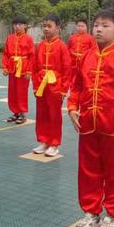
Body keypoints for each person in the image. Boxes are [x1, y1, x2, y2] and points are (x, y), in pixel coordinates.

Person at [68, 9, 114, 227]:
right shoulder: (86, 55)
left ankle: (112, 217)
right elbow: (77, 85)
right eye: (96, 24)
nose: (98, 28)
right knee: (88, 170)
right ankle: (91, 212)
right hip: (88, 123)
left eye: (104, 25)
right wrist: (72, 107)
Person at [32, 13, 71, 157]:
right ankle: (44, 141)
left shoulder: (61, 46)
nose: (46, 29)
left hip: (56, 85)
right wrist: (35, 86)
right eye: (44, 26)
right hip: (42, 85)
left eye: (49, 26)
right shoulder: (40, 45)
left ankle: (54, 144)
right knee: (41, 114)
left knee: (54, 115)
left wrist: (63, 90)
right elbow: (35, 67)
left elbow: (67, 69)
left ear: (58, 28)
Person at [1, 16, 35, 124]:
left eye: (20, 24)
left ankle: (22, 113)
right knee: (12, 91)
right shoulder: (10, 38)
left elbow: (32, 56)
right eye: (15, 24)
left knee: (22, 91)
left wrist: (29, 71)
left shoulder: (28, 39)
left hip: (23, 68)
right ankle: (15, 112)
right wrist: (5, 67)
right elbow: (6, 53)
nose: (17, 26)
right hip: (12, 67)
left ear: (25, 26)